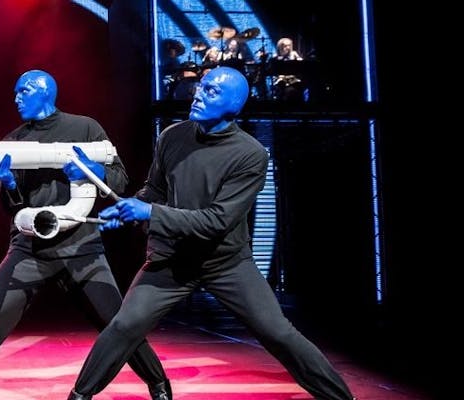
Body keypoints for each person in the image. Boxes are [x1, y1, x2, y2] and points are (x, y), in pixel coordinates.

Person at [65, 67, 355, 400]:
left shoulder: (250, 154)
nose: (198, 94)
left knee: (279, 334)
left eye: (211, 91)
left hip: (226, 264)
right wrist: (132, 206)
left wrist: (151, 212)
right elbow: (155, 190)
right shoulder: (172, 136)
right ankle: (79, 396)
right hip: (171, 260)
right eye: (200, 86)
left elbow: (217, 221)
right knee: (123, 326)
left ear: (234, 106)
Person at [0, 70, 172, 400]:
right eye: (15, 92)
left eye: (24, 91)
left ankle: (158, 383)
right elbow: (12, 208)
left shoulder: (85, 128)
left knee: (119, 323)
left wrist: (93, 169)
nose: (16, 98)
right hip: (31, 248)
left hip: (82, 247)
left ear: (45, 92)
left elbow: (119, 179)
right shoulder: (13, 140)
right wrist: (9, 182)